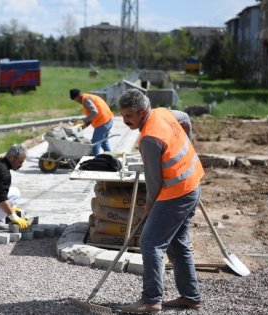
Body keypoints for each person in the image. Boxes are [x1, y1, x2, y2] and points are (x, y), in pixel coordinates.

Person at [117, 89, 205, 313]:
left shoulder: (148, 139)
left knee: (150, 242)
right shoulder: (162, 113)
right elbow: (184, 118)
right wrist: (188, 140)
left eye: (129, 116)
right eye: (123, 115)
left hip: (176, 194)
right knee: (178, 243)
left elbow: (154, 183)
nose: (125, 120)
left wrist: (149, 207)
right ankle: (191, 297)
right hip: (192, 184)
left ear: (143, 111)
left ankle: (151, 300)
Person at [69, 88, 114, 156]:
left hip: (103, 122)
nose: (76, 101)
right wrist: (82, 127)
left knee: (95, 144)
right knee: (103, 142)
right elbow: (91, 116)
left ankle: (95, 162)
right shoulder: (88, 97)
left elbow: (94, 111)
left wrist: (83, 121)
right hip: (108, 120)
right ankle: (111, 158)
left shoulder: (85, 100)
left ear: (77, 97)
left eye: (75, 100)